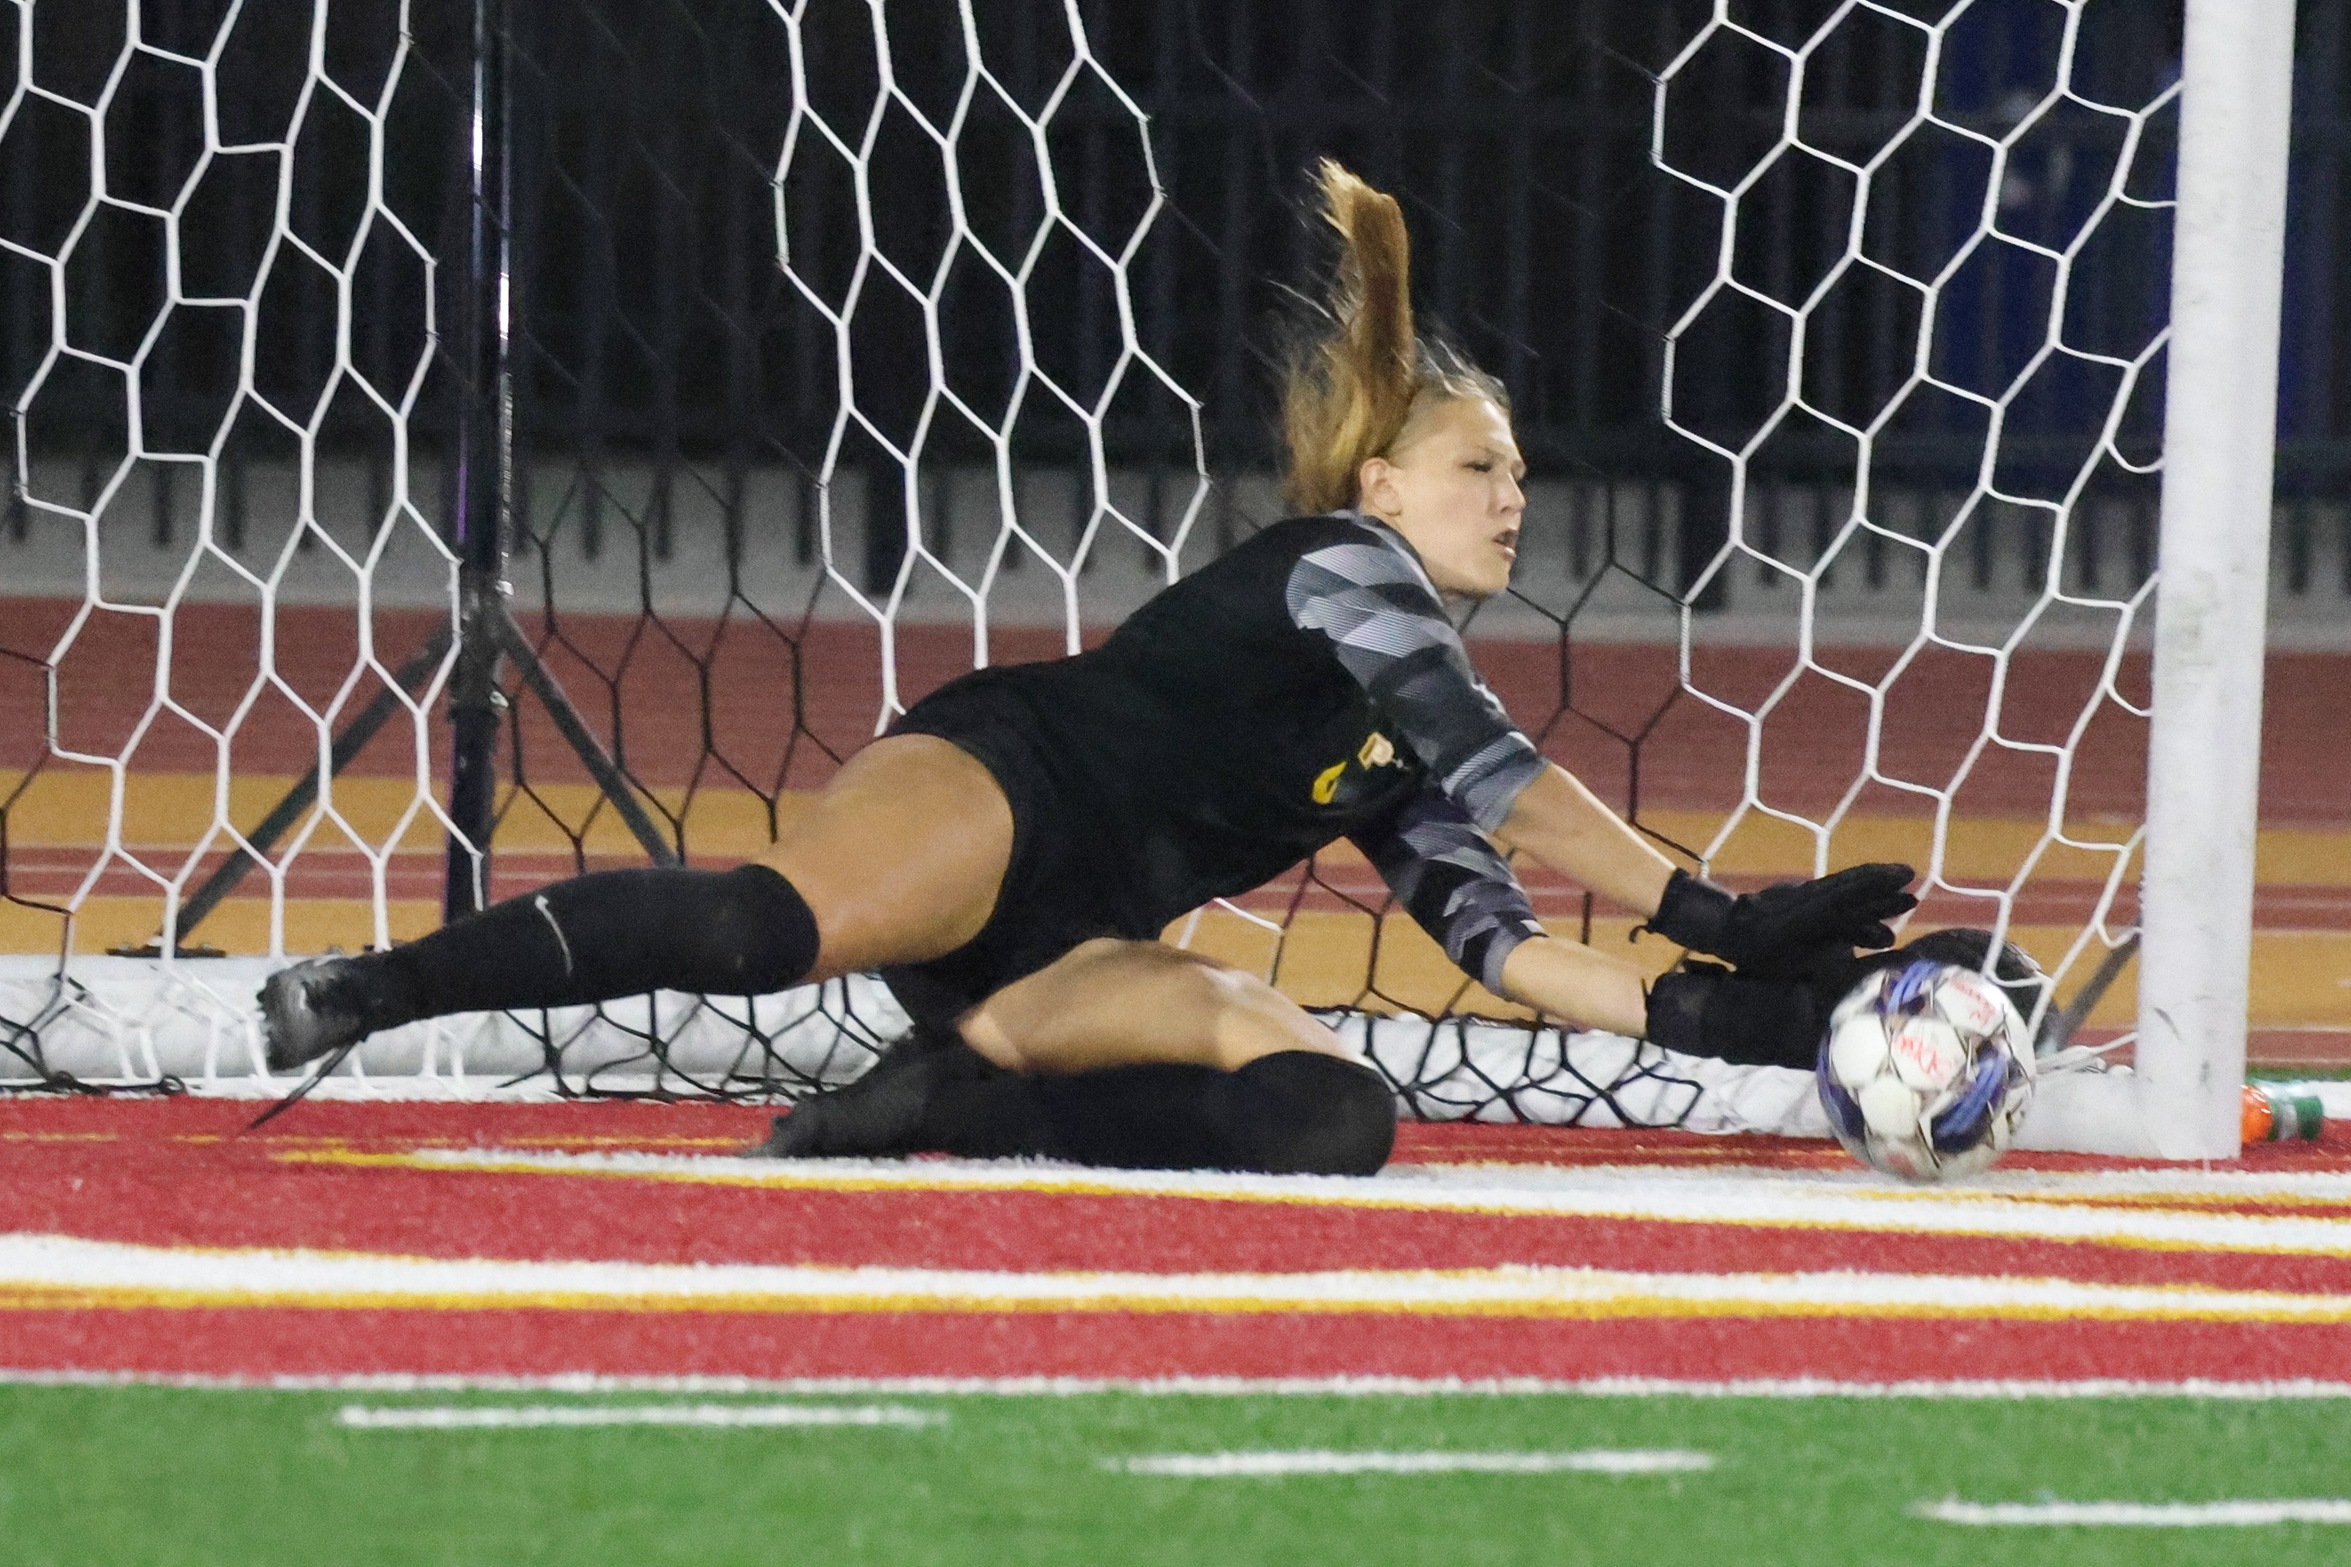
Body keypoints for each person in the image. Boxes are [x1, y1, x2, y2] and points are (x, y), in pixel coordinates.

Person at [260, 161, 1916, 1174]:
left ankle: (953, 1107)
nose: (1516, 498)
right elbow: (1506, 775)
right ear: (1383, 487)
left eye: (1521, 477)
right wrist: (1707, 910)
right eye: (1481, 467)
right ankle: (373, 990)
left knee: (1326, 1120)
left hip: (1070, 947)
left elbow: (1502, 951)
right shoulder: (1348, 570)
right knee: (758, 932)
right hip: (1011, 787)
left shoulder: (1402, 711)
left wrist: (1763, 1024)